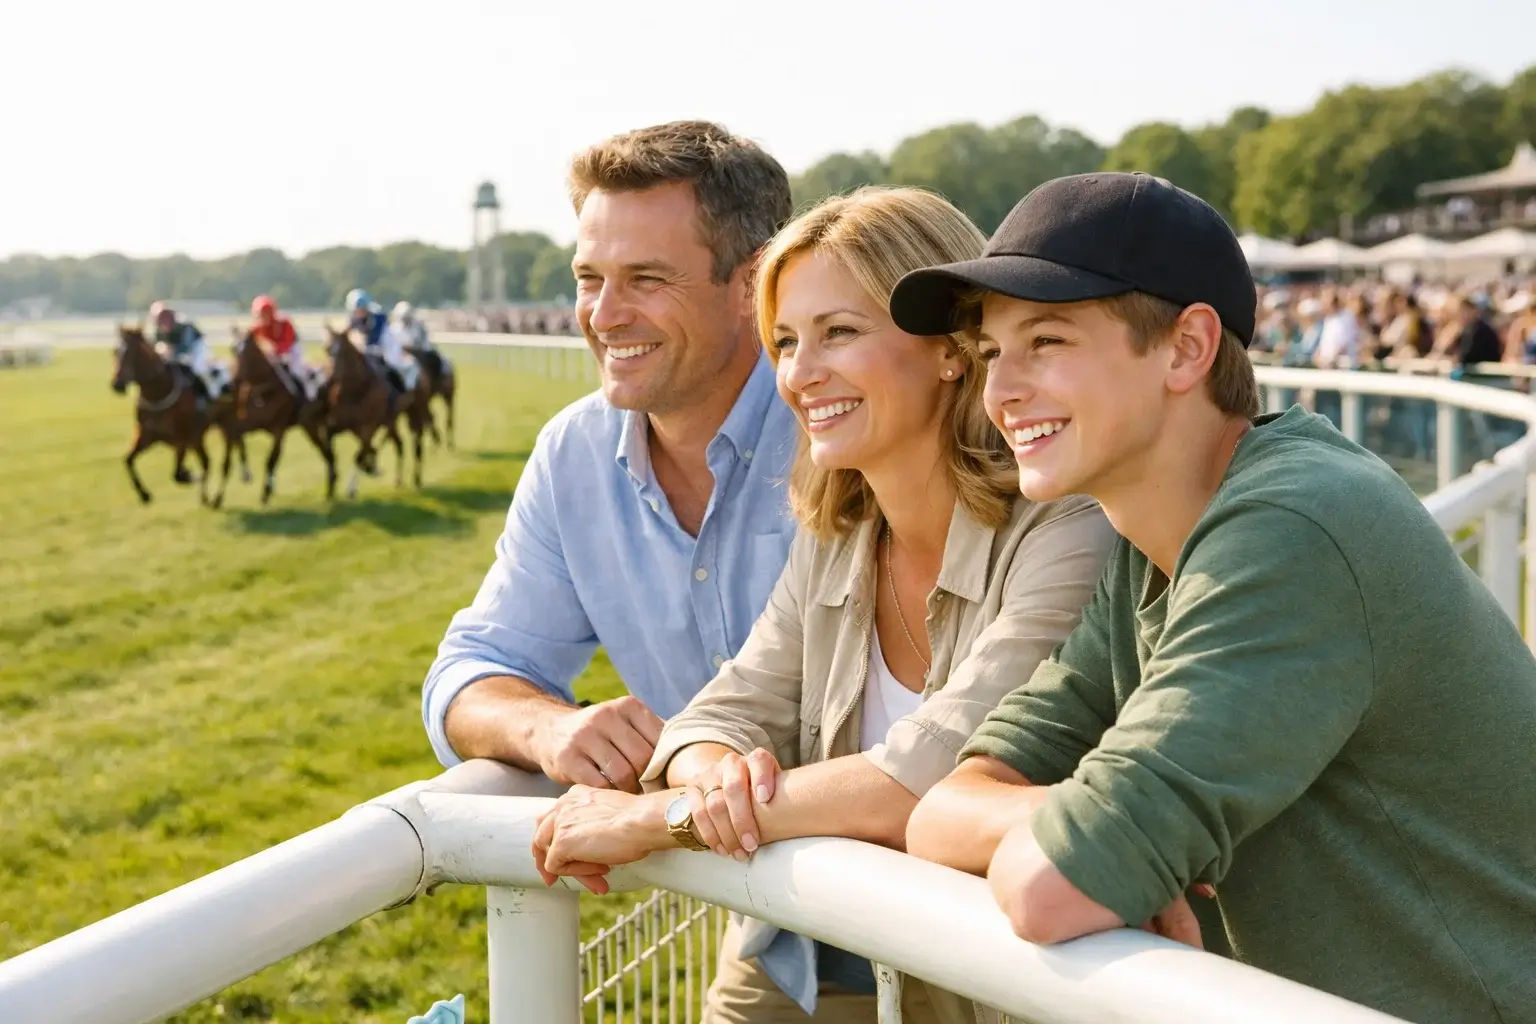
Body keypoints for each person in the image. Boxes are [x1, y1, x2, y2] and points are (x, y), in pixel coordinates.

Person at [892, 172, 1536, 1024]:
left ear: (1188, 348)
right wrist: (1092, 825)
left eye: (1046, 341)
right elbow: (940, 812)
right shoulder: (1148, 544)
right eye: (990, 354)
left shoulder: (1294, 526)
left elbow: (1048, 888)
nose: (999, 392)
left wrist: (1100, 843)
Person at [529, 186, 1115, 1024]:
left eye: (839, 332)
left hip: (1005, 979)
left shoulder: (1066, 528)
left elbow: (935, 769)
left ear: (952, 347)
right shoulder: (840, 530)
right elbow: (719, 714)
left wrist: (669, 818)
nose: (800, 375)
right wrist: (712, 781)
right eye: (785, 341)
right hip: (805, 940)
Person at [421, 121, 798, 799]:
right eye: (589, 279)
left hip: (917, 883)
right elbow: (473, 669)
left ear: (755, 284)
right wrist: (546, 727)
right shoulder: (574, 455)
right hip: (747, 887)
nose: (604, 315)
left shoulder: (841, 426)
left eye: (646, 279)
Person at [149, 300, 226, 400]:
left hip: (197, 346)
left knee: (198, 367)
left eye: (165, 316)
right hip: (178, 350)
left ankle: (213, 391)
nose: (164, 321)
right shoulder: (158, 331)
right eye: (161, 319)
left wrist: (171, 352)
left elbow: (186, 346)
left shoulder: (183, 325)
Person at [345, 288, 417, 391]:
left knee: (389, 369)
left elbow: (385, 343)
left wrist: (370, 349)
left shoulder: (378, 321)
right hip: (367, 353)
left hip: (385, 351)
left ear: (367, 308)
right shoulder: (353, 321)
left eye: (361, 309)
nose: (359, 313)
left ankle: (399, 392)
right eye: (356, 310)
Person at [250, 295, 319, 401]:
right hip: (273, 353)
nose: (263, 318)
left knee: (296, 370)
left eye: (265, 314)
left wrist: (275, 351)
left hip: (292, 349)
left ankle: (309, 394)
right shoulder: (256, 328)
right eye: (260, 315)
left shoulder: (284, 323)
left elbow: (287, 344)